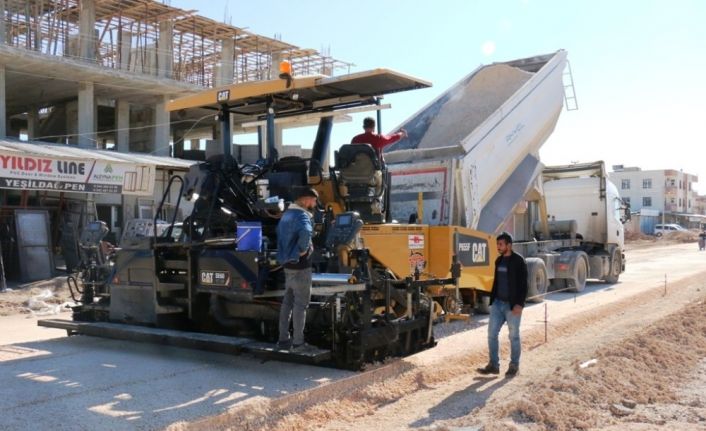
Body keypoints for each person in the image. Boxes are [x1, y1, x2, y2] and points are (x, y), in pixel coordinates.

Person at [477, 232, 528, 377]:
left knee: (514, 336)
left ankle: (514, 366)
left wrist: (520, 304)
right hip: (498, 304)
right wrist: (492, 300)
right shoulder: (498, 261)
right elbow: (497, 282)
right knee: (491, 334)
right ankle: (493, 365)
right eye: (497, 244)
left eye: (500, 244)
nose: (498, 247)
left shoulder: (519, 261)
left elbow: (524, 285)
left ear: (509, 245)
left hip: (512, 306)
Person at [276, 186, 318, 351]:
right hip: (301, 266)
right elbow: (306, 233)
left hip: (287, 264)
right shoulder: (302, 216)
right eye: (313, 200)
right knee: (301, 305)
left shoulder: (286, 215)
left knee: (287, 303)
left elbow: (279, 233)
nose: (314, 203)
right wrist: (302, 250)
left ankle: (283, 340)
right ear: (306, 199)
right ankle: (299, 342)